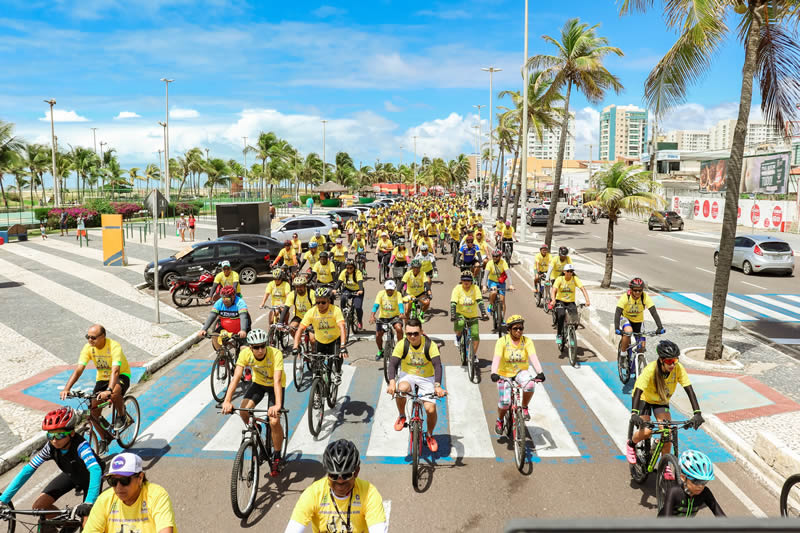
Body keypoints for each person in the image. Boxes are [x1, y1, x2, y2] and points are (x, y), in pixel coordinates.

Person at [0, 407, 103, 527]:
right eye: (50, 435)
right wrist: (4, 499)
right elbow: (28, 469)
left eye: (59, 435)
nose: (54, 440)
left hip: (90, 478)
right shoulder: (50, 447)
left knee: (87, 525)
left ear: (71, 433)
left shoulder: (81, 446)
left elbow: (95, 470)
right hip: (71, 474)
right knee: (39, 507)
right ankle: (69, 525)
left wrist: (89, 501)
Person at [627, 340, 705, 478]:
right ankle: (631, 444)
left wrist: (697, 413)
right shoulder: (651, 370)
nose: (673, 364)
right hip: (644, 398)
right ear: (661, 360)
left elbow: (689, 390)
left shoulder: (678, 368)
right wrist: (634, 413)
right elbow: (638, 390)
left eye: (675, 360)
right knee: (646, 431)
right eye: (669, 361)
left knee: (667, 433)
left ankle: (665, 466)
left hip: (661, 401)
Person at [222, 328, 286, 476]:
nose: (260, 350)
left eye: (263, 346)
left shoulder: (275, 354)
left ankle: (277, 456)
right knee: (243, 412)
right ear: (250, 347)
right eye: (256, 347)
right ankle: (256, 427)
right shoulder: (245, 354)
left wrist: (277, 405)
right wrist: (227, 401)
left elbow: (277, 380)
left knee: (274, 421)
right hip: (258, 384)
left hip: (275, 386)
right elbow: (236, 377)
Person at [285, 439, 386, 533]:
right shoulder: (313, 493)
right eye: (334, 475)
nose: (340, 481)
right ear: (327, 473)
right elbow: (293, 528)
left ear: (356, 472)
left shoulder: (369, 493)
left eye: (346, 475)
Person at [385, 319, 447, 452]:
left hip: (427, 378)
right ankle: (402, 415)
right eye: (409, 334)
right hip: (408, 375)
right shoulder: (402, 344)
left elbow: (437, 366)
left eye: (415, 333)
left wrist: (437, 386)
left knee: (430, 409)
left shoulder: (430, 345)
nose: (412, 336)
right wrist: (392, 382)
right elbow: (393, 364)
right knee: (401, 390)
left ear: (421, 332)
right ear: (405, 333)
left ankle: (429, 435)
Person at [60, 325, 132, 438]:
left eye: (93, 338)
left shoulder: (114, 346)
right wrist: (67, 388)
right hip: (102, 378)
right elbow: (79, 369)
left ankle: (122, 415)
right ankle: (105, 438)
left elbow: (115, 371)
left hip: (121, 375)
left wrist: (108, 390)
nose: (90, 340)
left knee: (114, 393)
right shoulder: (88, 348)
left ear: (103, 336)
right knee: (92, 413)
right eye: (88, 337)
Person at [83, 452, 177, 533]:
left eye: (124, 481)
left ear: (140, 478)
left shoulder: (156, 495)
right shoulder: (104, 500)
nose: (118, 487)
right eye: (113, 481)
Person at [490, 315, 545, 431]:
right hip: (504, 374)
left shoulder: (527, 341)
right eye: (515, 328)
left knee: (530, 385)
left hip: (520, 372)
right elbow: (496, 358)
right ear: (509, 330)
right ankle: (500, 420)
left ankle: (524, 406)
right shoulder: (502, 341)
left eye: (521, 328)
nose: (519, 331)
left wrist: (540, 372)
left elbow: (533, 357)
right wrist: (493, 373)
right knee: (505, 403)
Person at [292, 287, 348, 382]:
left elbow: (342, 327)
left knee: (338, 357)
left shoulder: (335, 310)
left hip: (334, 340)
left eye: (323, 302)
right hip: (320, 342)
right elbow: (300, 329)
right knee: (317, 369)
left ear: (328, 301)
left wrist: (343, 346)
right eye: (318, 302)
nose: (320, 305)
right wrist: (295, 346)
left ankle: (338, 372)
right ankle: (318, 387)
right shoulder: (312, 312)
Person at [658, 450, 725, 517]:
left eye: (704, 482)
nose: (700, 486)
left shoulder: (705, 492)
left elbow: (720, 514)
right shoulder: (674, 493)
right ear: (683, 477)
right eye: (696, 481)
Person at [615, 277, 666, 356]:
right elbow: (618, 312)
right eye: (635, 290)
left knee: (642, 347)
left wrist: (660, 327)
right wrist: (617, 328)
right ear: (631, 289)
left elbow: (653, 312)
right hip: (626, 319)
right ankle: (623, 353)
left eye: (640, 290)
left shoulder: (644, 297)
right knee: (628, 331)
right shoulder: (625, 297)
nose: (638, 292)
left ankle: (639, 360)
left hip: (638, 321)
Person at [548, 264, 590, 347]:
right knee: (561, 315)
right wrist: (553, 300)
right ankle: (559, 335)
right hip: (560, 301)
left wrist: (587, 300)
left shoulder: (574, 279)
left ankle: (571, 334)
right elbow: (554, 290)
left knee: (575, 320)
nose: (570, 273)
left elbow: (583, 289)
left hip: (570, 302)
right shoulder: (560, 279)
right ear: (564, 272)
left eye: (571, 271)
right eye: (568, 271)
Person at [198, 285, 250, 351]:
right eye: (223, 298)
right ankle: (221, 354)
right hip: (225, 328)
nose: (225, 301)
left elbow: (243, 317)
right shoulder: (219, 303)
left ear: (233, 297)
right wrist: (204, 329)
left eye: (227, 299)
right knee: (214, 336)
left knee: (244, 349)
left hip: (240, 329)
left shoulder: (240, 303)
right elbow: (212, 315)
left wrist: (243, 330)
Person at [450, 269, 488, 355]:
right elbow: (453, 303)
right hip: (460, 313)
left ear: (472, 281)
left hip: (472, 315)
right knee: (460, 324)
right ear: (461, 280)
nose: (466, 282)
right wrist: (453, 314)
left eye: (468, 280)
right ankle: (458, 337)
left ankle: (473, 355)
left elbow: (480, 301)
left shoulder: (475, 288)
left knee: (475, 335)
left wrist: (484, 313)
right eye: (464, 280)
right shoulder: (457, 288)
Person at [370, 280, 405, 361]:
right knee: (378, 334)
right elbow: (376, 305)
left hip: (395, 317)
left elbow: (400, 305)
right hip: (383, 317)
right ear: (385, 288)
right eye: (388, 289)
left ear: (394, 288)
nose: (390, 291)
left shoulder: (398, 294)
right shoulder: (380, 294)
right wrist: (372, 315)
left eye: (391, 289)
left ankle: (399, 349)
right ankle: (380, 350)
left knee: (399, 328)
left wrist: (402, 313)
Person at [485, 248, 513, 322]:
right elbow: (485, 275)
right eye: (493, 256)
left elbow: (508, 274)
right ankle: (490, 304)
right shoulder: (489, 263)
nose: (495, 257)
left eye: (496, 256)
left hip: (501, 283)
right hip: (492, 281)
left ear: (500, 256)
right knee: (493, 292)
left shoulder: (503, 262)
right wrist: (484, 286)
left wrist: (511, 284)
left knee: (502, 300)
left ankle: (502, 319)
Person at [337, 259, 365, 329]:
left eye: (351, 268)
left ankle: (359, 321)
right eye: (347, 268)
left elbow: (360, 282)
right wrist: (335, 289)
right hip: (348, 289)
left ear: (354, 267)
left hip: (357, 290)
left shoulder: (357, 272)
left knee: (358, 307)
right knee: (343, 297)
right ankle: (343, 311)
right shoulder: (344, 272)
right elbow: (339, 281)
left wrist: (360, 290)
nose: (349, 269)